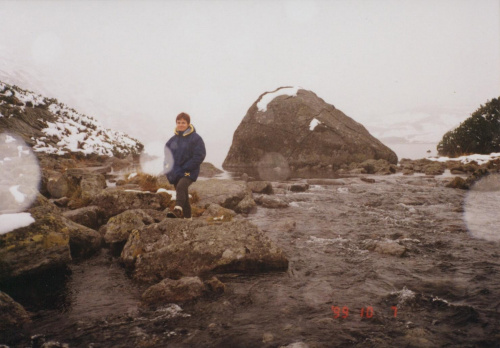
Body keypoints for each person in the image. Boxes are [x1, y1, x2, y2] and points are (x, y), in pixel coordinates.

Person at [164, 112, 206, 219]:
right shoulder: (172, 140)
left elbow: (200, 155)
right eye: (179, 122)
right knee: (183, 195)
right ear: (176, 123)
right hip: (175, 172)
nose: (181, 125)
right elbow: (167, 156)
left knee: (181, 186)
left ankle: (177, 210)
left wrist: (186, 167)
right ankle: (188, 219)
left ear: (188, 124)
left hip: (189, 171)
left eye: (183, 122)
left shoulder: (195, 138)